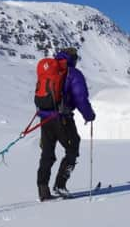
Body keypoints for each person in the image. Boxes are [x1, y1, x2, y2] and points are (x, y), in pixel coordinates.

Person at [37, 47, 95, 201]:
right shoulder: (72, 73)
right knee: (72, 148)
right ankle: (60, 186)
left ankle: (43, 189)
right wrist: (89, 115)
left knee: (47, 154)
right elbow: (80, 97)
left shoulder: (48, 70)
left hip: (45, 119)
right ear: (73, 58)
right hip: (62, 119)